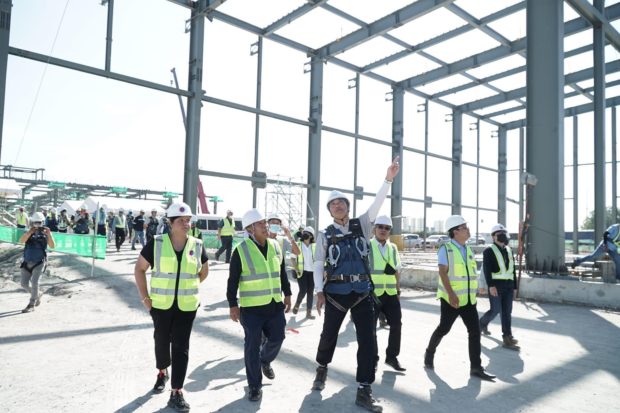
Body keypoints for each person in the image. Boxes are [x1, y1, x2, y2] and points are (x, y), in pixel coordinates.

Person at [311, 157, 400, 413]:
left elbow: (377, 204)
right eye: (333, 204)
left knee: (368, 342)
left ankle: (364, 388)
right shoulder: (324, 233)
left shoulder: (362, 224)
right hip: (336, 294)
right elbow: (318, 263)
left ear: (348, 207)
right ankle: (322, 367)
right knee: (328, 336)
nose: (337, 206)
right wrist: (319, 291)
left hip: (362, 293)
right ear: (329, 210)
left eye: (341, 203)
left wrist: (388, 179)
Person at [134, 202, 209, 412]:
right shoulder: (156, 243)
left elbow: (204, 271)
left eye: (189, 220)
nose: (187, 224)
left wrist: (189, 286)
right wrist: (145, 299)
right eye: (182, 221)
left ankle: (176, 391)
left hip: (186, 306)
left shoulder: (197, 244)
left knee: (181, 346)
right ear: (171, 222)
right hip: (161, 306)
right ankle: (162, 371)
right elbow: (139, 269)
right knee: (161, 341)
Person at [226, 208, 292, 402]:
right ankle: (254, 386)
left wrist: (287, 294)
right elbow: (232, 281)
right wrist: (232, 304)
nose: (265, 226)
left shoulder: (275, 245)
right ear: (250, 228)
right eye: (261, 223)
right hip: (252, 309)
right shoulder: (241, 250)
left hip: (274, 306)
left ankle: (265, 360)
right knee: (251, 347)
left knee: (278, 337)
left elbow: (281, 273)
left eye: (265, 222)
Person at [423, 215, 496, 381]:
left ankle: (476, 367)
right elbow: (442, 272)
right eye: (464, 227)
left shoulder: (467, 249)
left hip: (468, 300)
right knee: (444, 328)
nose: (468, 230)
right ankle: (429, 353)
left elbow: (470, 274)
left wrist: (476, 289)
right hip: (452, 300)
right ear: (455, 231)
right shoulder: (446, 249)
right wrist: (451, 294)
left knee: (475, 331)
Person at [370, 215, 406, 372]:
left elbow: (397, 270)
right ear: (374, 229)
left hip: (390, 293)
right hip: (372, 294)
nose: (383, 230)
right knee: (370, 329)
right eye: (380, 227)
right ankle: (373, 359)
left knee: (396, 324)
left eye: (387, 228)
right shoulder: (367, 246)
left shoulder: (393, 248)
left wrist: (398, 290)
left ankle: (391, 357)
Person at [479, 224, 519, 350]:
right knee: (495, 310)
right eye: (499, 233)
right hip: (496, 286)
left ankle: (507, 337)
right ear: (493, 237)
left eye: (504, 233)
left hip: (508, 286)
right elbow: (487, 269)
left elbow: (512, 269)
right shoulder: (489, 251)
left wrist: (515, 286)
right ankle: (481, 324)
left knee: (507, 312)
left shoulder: (509, 250)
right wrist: (490, 286)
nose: (502, 236)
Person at [18, 212, 55, 313]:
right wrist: (29, 233)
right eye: (35, 222)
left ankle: (31, 304)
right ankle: (37, 294)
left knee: (35, 283)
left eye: (39, 223)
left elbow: (52, 246)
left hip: (39, 262)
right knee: (23, 284)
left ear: (42, 222)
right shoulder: (28, 232)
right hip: (26, 262)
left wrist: (49, 235)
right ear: (32, 222)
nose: (37, 225)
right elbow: (21, 241)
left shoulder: (45, 233)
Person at [292, 226, 316, 319]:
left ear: (311, 236)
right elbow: (292, 258)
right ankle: (297, 304)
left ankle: (308, 313)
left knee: (310, 292)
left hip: (312, 273)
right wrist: (296, 269)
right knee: (303, 290)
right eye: (305, 232)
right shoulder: (297, 244)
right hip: (301, 272)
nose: (306, 234)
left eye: (308, 233)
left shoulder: (314, 246)